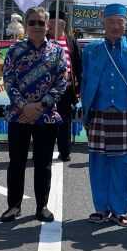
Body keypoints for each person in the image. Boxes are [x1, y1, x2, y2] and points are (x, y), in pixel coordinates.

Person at [82, 4, 127, 227]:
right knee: (98, 161)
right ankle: (101, 208)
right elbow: (84, 81)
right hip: (98, 111)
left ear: (125, 24)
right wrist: (85, 110)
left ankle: (120, 210)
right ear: (104, 23)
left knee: (122, 163)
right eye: (111, 22)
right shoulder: (92, 49)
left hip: (124, 113)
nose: (115, 26)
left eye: (120, 22)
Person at [1, 7, 67, 223]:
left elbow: (61, 82)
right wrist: (24, 106)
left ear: (48, 25)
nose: (37, 26)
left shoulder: (57, 51)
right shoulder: (15, 50)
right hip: (19, 115)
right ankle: (14, 206)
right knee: (16, 163)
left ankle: (42, 206)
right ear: (26, 25)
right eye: (32, 22)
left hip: (46, 116)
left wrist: (41, 105)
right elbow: (9, 81)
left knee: (43, 164)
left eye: (41, 22)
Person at [48, 11, 83, 163]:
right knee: (46, 121)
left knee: (64, 121)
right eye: (53, 23)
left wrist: (79, 85)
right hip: (46, 88)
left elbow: (78, 63)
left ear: (63, 24)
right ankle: (43, 151)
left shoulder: (71, 41)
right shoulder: (45, 39)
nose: (56, 25)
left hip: (67, 88)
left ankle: (65, 151)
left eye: (60, 23)